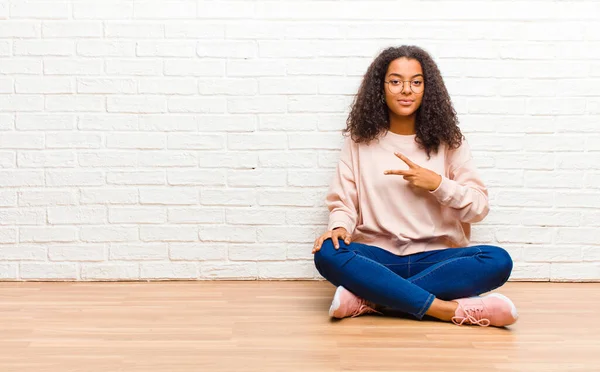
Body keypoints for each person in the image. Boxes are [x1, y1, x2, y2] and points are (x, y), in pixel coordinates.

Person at [312, 45, 517, 328]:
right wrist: (339, 228)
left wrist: (438, 184)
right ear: (380, 88)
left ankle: (372, 300)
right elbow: (344, 203)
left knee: (497, 260)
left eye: (416, 82)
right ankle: (447, 310)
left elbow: (479, 208)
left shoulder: (450, 142)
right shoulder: (360, 142)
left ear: (426, 88)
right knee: (328, 252)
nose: (406, 90)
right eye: (396, 81)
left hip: (436, 258)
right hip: (379, 256)